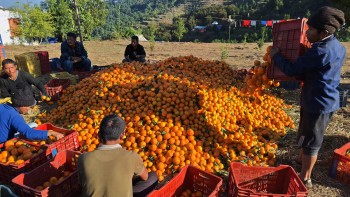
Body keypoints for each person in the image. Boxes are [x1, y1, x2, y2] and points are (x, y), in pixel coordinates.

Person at [270, 6, 346, 188]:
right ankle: (301, 159)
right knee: (308, 133)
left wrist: (276, 56)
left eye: (311, 30)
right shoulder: (337, 46)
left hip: (317, 102)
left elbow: (292, 69)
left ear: (324, 32)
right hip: (323, 98)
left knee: (313, 141)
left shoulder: (320, 51)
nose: (307, 33)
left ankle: (305, 177)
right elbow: (318, 71)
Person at [78, 114, 158, 197]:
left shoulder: (83, 158)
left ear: (99, 134)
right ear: (122, 135)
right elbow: (145, 177)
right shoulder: (132, 157)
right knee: (153, 177)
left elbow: (81, 186)